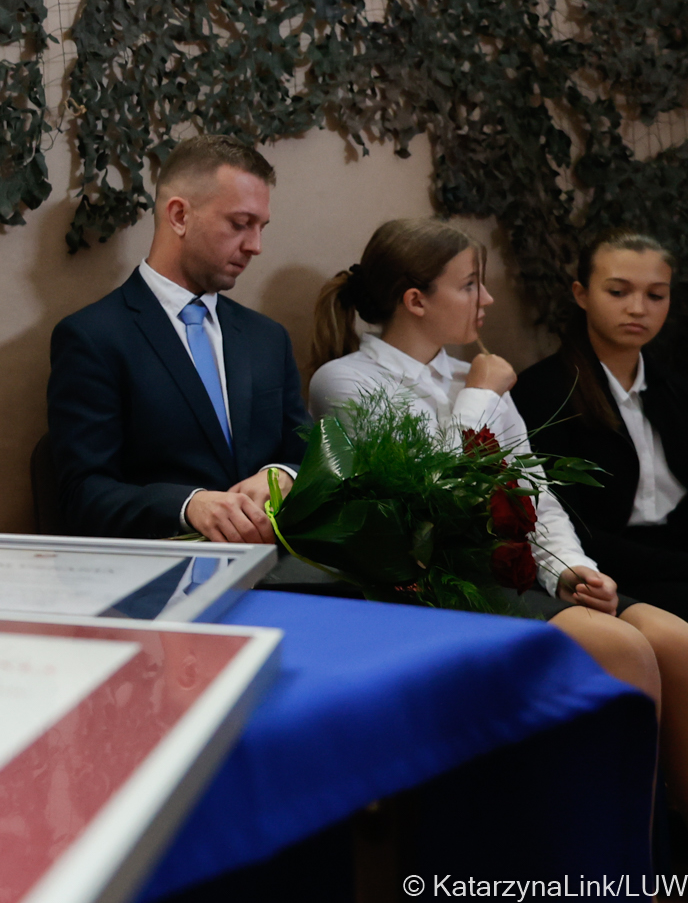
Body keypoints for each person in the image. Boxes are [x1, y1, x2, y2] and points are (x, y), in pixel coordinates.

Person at [311, 218, 688, 793]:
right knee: (623, 647)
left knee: (674, 639)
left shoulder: (473, 375)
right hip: (435, 579)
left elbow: (533, 489)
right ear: (416, 300)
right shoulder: (345, 381)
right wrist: (481, 396)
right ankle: (626, 835)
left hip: (514, 569)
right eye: (470, 285)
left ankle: (672, 828)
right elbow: (434, 489)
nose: (486, 299)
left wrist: (570, 569)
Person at [48, 135, 311, 542]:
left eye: (261, 228)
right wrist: (188, 506)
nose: (255, 246)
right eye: (240, 224)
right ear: (179, 216)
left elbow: (306, 454)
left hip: (275, 563)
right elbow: (82, 494)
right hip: (163, 568)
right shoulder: (93, 338)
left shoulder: (268, 338)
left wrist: (282, 474)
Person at [514, 232, 688, 619]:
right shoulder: (544, 391)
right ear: (581, 294)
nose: (638, 309)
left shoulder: (674, 389)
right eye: (618, 292)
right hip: (607, 575)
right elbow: (570, 525)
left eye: (655, 295)